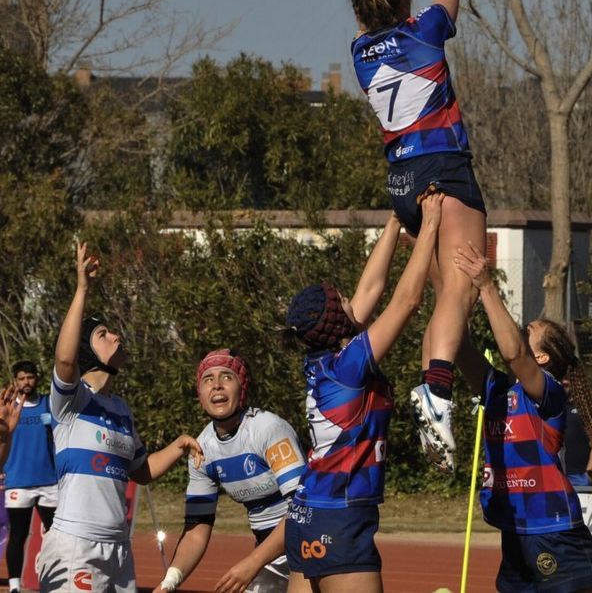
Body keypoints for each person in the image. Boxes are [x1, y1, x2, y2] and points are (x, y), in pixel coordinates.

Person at [352, 0, 485, 472]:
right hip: (444, 170)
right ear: (405, 4)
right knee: (461, 291)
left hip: (400, 182)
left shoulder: (360, 54)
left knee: (447, 298)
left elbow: (367, 15)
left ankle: (473, 386)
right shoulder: (425, 29)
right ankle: (436, 391)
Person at [282, 196, 443, 592]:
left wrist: (394, 220)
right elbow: (407, 300)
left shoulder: (323, 360)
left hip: (309, 512)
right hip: (342, 517)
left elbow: (372, 287)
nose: (351, 299)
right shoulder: (347, 368)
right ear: (339, 322)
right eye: (343, 301)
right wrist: (432, 224)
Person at [37, 243, 204, 593]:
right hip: (76, 547)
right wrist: (82, 288)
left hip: (118, 549)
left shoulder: (121, 409)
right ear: (87, 352)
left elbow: (140, 472)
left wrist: (178, 446)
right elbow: (65, 361)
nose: (116, 335)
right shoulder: (72, 399)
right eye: (103, 334)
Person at [451, 241, 592, 593]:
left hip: (554, 530)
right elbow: (458, 346)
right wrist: (451, 284)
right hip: (516, 530)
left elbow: (515, 353)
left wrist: (487, 286)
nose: (522, 331)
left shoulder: (548, 393)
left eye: (530, 331)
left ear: (544, 358)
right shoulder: (499, 391)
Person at [155, 350, 307, 593]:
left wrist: (253, 562)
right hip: (270, 553)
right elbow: (197, 530)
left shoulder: (267, 428)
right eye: (208, 380)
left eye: (226, 377)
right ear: (200, 396)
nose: (216, 385)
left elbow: (304, 508)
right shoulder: (202, 449)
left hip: (308, 542)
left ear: (242, 388)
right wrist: (169, 583)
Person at [524, 320, 592, 489]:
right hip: (547, 475)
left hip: (576, 477)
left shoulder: (571, 404)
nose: (565, 382)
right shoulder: (546, 396)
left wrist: (589, 473)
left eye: (568, 378)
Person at [4, 361, 58, 593]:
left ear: (37, 378)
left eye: (30, 377)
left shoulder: (49, 404)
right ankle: (15, 584)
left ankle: (56, 580)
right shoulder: (7, 408)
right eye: (21, 378)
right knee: (18, 534)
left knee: (56, 535)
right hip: (18, 482)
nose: (26, 382)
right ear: (15, 381)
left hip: (49, 482)